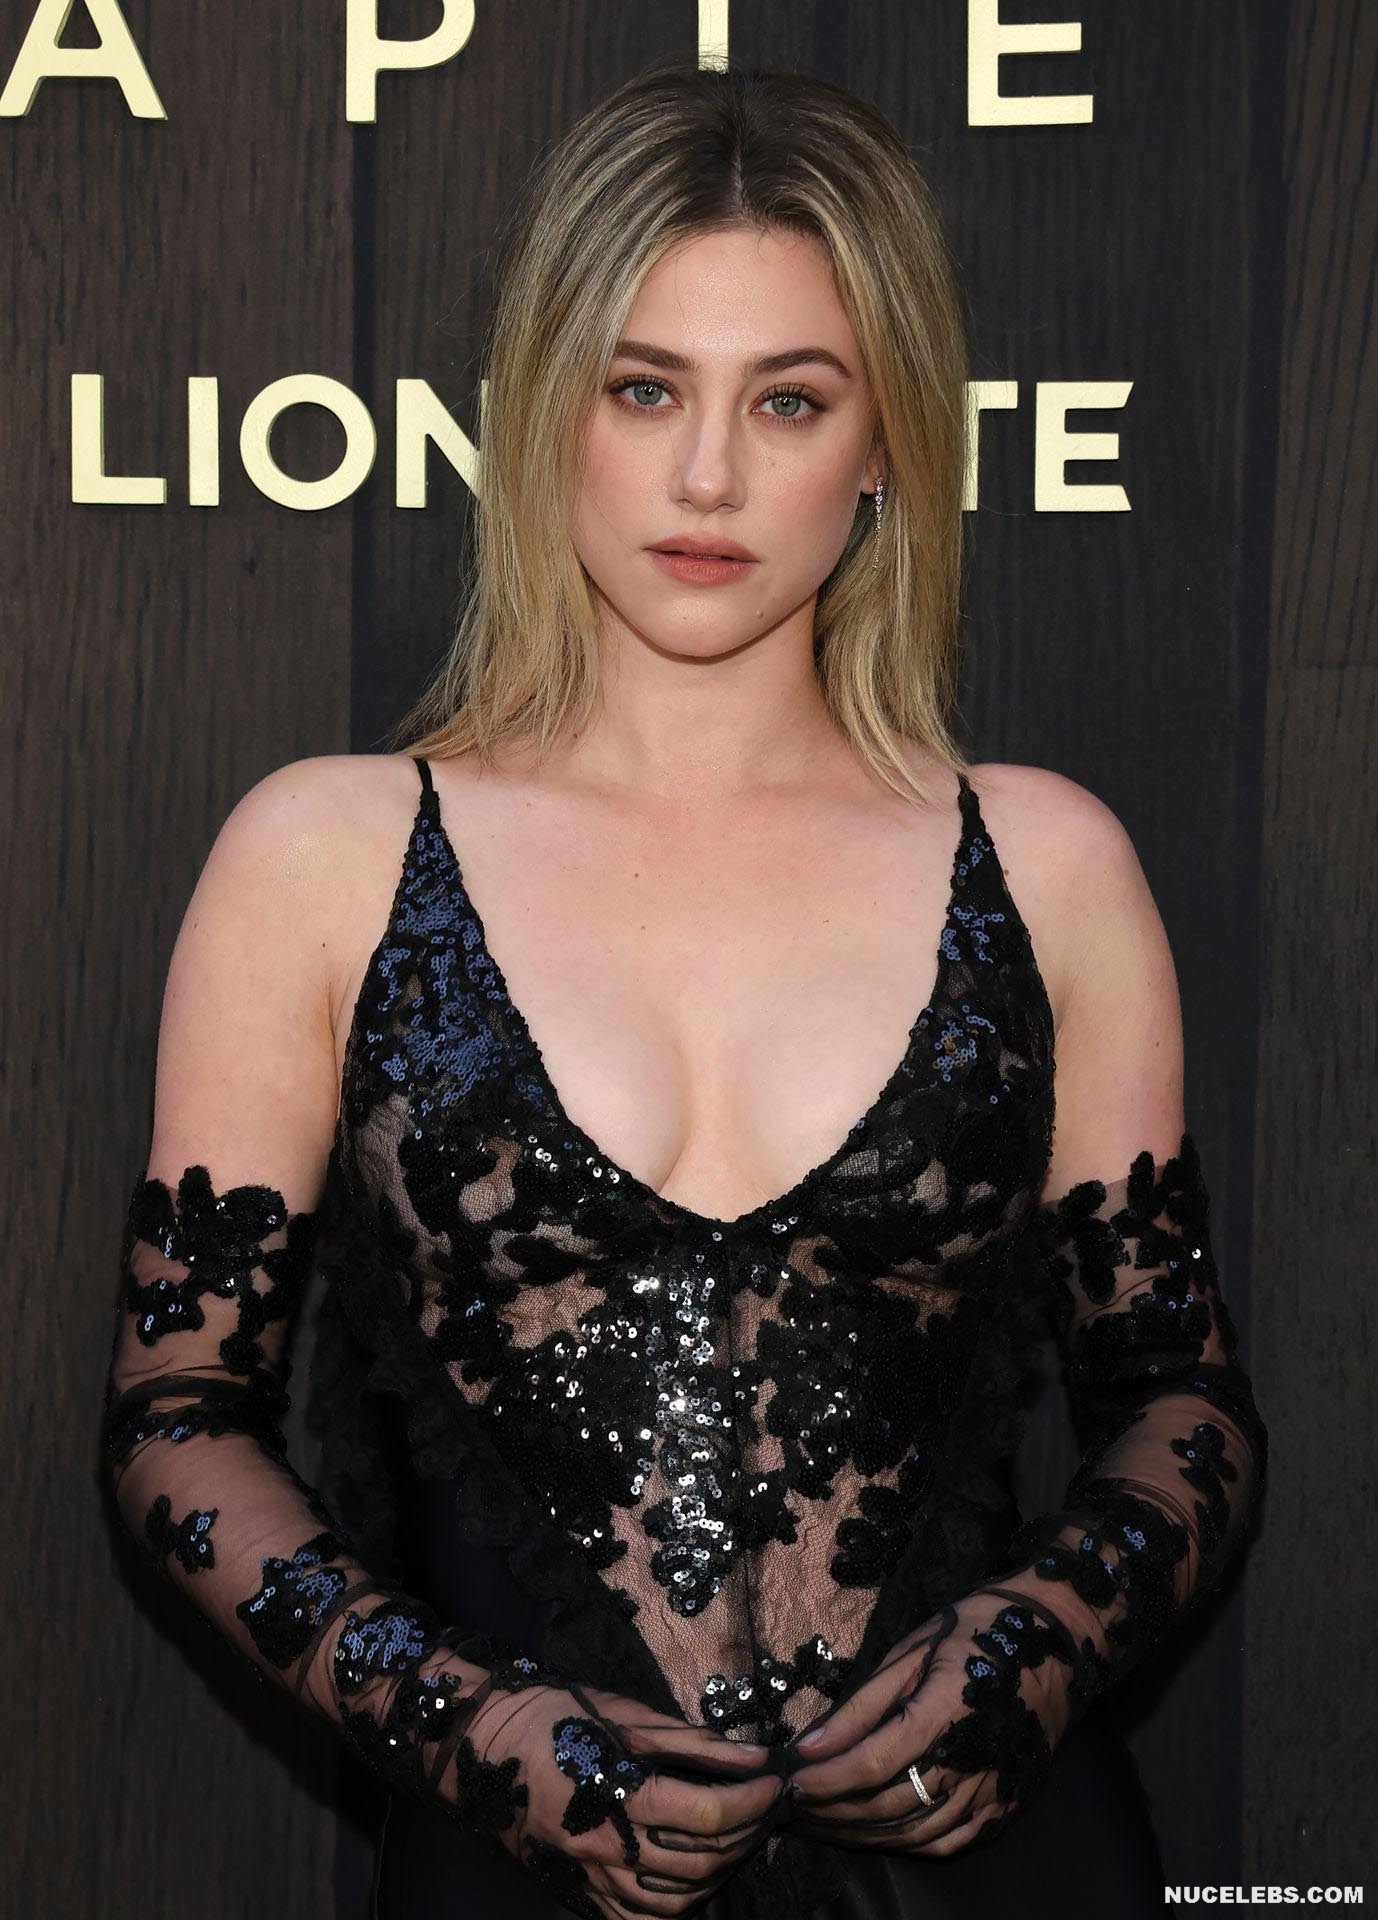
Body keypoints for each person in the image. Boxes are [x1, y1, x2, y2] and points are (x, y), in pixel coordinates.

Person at [102, 57, 1268, 1920]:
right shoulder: (324, 855)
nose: (707, 475)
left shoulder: (1045, 862)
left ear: (883, 443)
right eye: (643, 389)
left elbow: (1179, 1398)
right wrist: (463, 1722)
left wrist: (1034, 1647)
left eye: (787, 399)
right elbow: (177, 1410)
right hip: (518, 1866)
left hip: (992, 1868)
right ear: (545, 411)